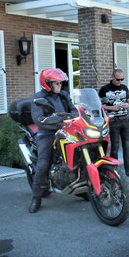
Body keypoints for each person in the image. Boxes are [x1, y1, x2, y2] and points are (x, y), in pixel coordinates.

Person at [30, 69, 77, 214]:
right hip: (47, 133)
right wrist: (56, 120)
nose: (59, 86)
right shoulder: (38, 98)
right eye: (56, 83)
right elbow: (39, 120)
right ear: (48, 84)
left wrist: (74, 117)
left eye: (60, 83)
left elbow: (74, 111)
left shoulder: (63, 96)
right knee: (43, 163)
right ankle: (36, 197)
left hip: (66, 129)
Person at [99, 69, 129, 177]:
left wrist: (128, 105)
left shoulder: (124, 88)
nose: (120, 81)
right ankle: (114, 171)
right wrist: (112, 107)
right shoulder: (104, 89)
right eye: (118, 79)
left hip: (125, 120)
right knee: (115, 147)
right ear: (112, 76)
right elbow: (100, 105)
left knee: (127, 147)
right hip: (113, 121)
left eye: (122, 79)